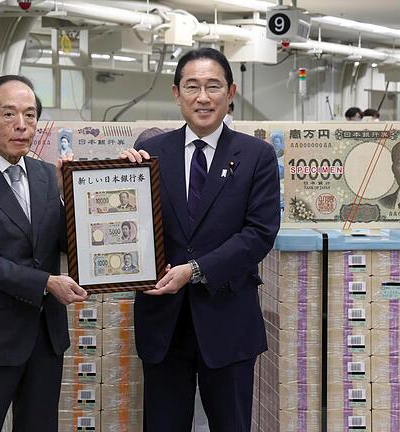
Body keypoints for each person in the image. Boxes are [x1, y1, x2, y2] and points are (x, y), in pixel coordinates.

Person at [120, 48, 280, 432]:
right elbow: (128, 230)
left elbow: (259, 234)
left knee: (232, 423)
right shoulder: (150, 156)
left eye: (213, 86)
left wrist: (194, 271)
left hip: (228, 318)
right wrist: (121, 184)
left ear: (231, 93)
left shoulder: (256, 155)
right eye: (192, 86)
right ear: (177, 94)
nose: (203, 97)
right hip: (164, 323)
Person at [0, 75, 88, 432]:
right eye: (8, 115)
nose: (22, 125)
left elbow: (65, 243)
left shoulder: (44, 175)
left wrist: (77, 198)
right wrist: (46, 283)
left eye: (30, 114)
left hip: (45, 336)